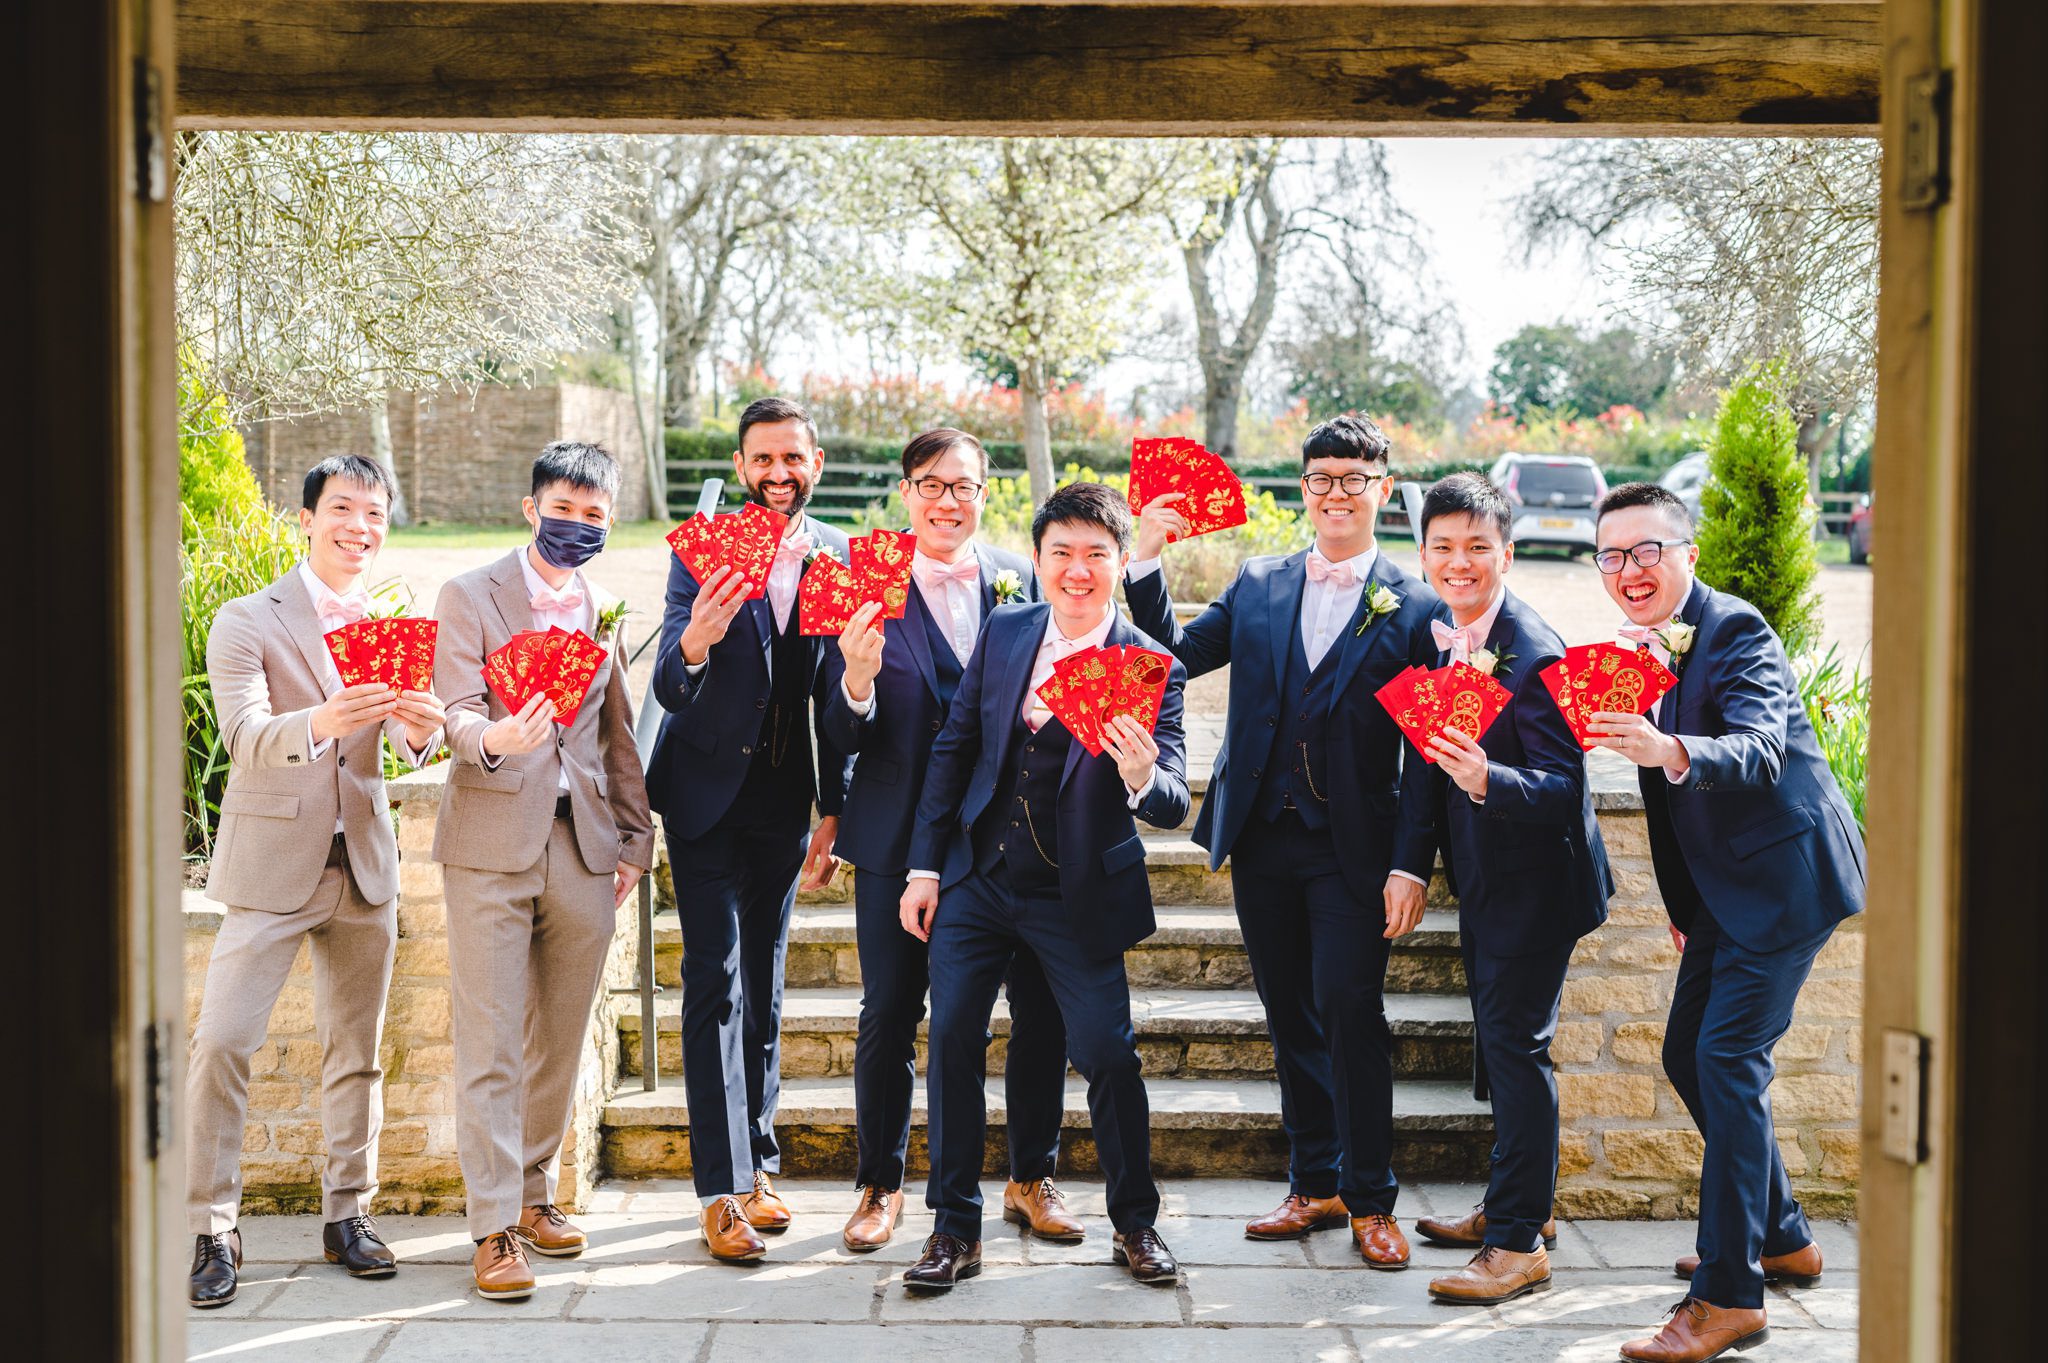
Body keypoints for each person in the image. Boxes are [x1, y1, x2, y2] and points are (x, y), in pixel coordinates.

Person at [1123, 414, 1442, 1265]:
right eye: (1321, 479)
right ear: (1303, 489)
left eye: (1355, 479)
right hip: (1262, 834)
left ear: (1382, 489)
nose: (1336, 494)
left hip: (1356, 847)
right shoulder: (1258, 581)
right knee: (1288, 1012)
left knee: (1349, 1010)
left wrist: (1412, 862)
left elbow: (1430, 754)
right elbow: (1173, 655)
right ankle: (1316, 1182)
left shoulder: (1416, 606)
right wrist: (1144, 562)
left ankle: (1374, 1198)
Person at [1588, 483, 1865, 1363]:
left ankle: (1729, 1293)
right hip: (1721, 892)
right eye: (1611, 555)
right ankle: (1781, 1233)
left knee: (1726, 1057)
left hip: (1787, 877)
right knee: (1685, 1052)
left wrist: (1668, 746)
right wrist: (1683, 912)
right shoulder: (1639, 651)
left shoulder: (1737, 629)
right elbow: (1664, 810)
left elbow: (1758, 748)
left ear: (1688, 552)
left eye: (1646, 551)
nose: (1629, 570)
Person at [898, 481, 1189, 1292]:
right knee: (953, 1034)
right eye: (1061, 552)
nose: (1077, 569)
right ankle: (954, 1229)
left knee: (1107, 1053)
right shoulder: (1007, 628)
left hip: (1077, 893)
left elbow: (1172, 794)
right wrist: (927, 867)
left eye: (1097, 554)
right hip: (979, 879)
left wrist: (1140, 776)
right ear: (1036, 559)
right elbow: (955, 749)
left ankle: (1136, 1222)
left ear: (1122, 562)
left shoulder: (1152, 662)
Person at [186, 455, 446, 1308]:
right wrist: (323, 720)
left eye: (375, 513)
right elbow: (244, 734)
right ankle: (213, 1226)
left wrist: (421, 727)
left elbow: (409, 753)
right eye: (342, 509)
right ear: (305, 518)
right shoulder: (246, 619)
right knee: (222, 1040)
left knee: (357, 1053)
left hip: (364, 863)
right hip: (270, 869)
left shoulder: (392, 621)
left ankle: (346, 1213)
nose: (359, 527)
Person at [819, 428, 1074, 1252]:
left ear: (985, 493)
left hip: (1015, 838)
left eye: (963, 486)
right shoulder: (861, 579)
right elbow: (834, 728)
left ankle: (1031, 1176)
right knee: (890, 1011)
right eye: (930, 484)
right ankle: (880, 1184)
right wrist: (856, 679)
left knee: (1038, 1011)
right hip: (898, 835)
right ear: (905, 493)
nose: (947, 501)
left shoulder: (1022, 575)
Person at [431, 441, 654, 1301]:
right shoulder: (470, 594)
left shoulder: (604, 606)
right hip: (489, 837)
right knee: (488, 1039)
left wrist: (634, 841)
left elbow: (616, 736)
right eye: (565, 509)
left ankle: (534, 1191)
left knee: (558, 1035)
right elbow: (452, 707)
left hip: (584, 845)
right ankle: (492, 1227)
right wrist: (491, 737)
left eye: (595, 514)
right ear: (533, 508)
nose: (578, 525)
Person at [645, 396, 854, 1262]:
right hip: (700, 795)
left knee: (766, 986)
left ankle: (759, 1164)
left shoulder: (833, 553)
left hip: (781, 797)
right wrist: (696, 641)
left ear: (815, 463)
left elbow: (842, 692)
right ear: (740, 467)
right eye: (762, 460)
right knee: (715, 983)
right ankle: (720, 1189)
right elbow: (666, 680)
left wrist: (833, 805)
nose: (778, 474)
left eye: (792, 459)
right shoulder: (701, 546)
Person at [1400, 474, 1613, 1306]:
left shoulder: (1538, 649)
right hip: (1483, 878)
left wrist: (1490, 777)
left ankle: (1518, 1242)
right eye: (1443, 547)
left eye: (1477, 547)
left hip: (1539, 882)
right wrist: (1410, 861)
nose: (1460, 562)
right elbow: (1422, 769)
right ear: (1424, 555)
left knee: (1518, 1051)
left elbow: (1568, 786)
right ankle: (1512, 1203)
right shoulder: (1434, 635)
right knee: (1499, 1046)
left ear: (1507, 553)